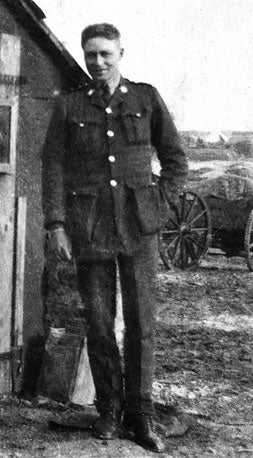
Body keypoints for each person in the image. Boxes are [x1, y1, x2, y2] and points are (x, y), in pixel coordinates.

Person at [41, 23, 187, 453]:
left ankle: (140, 416)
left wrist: (160, 201)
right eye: (91, 55)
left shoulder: (145, 98)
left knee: (141, 321)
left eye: (106, 54)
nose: (98, 63)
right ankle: (108, 409)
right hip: (90, 226)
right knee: (100, 321)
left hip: (139, 225)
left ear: (122, 52)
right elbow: (52, 167)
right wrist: (56, 225)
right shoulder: (69, 106)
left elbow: (175, 158)